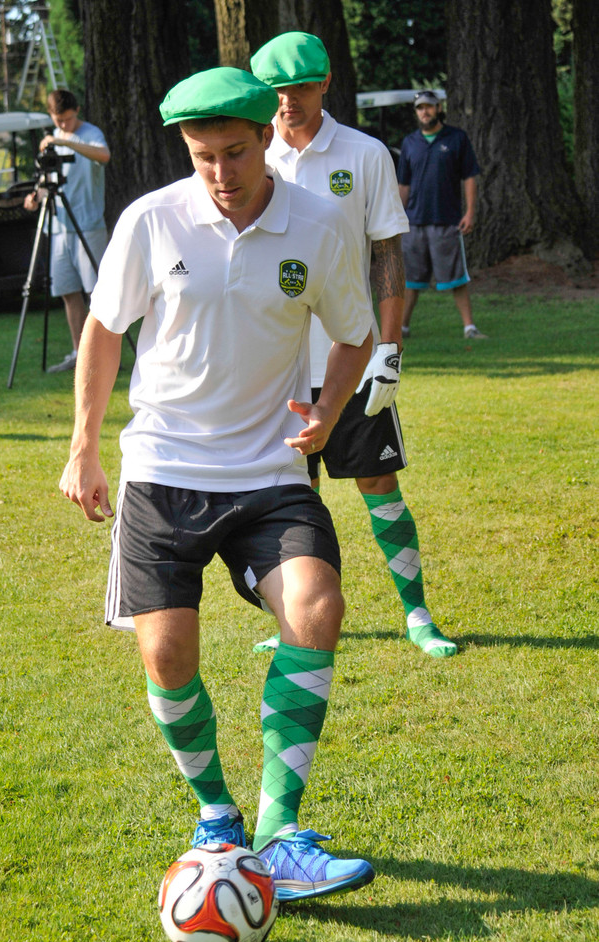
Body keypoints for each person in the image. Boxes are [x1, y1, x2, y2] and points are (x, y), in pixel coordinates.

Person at [58, 66, 386, 902]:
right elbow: (103, 330)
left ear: (264, 141)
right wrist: (83, 448)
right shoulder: (151, 219)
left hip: (269, 472)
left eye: (236, 153)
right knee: (166, 656)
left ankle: (278, 834)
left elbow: (354, 332)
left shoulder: (316, 224)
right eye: (203, 156)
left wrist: (326, 411)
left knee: (316, 608)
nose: (221, 174)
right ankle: (217, 818)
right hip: (162, 473)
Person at [250, 32, 457, 658]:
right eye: (275, 91)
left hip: (353, 356)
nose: (287, 101)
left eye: (299, 87)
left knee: (379, 488)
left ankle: (417, 614)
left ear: (325, 83)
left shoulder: (365, 154)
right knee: (290, 500)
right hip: (277, 369)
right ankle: (291, 616)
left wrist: (389, 352)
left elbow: (386, 255)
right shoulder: (249, 157)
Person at [25, 89, 110, 373]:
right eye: (58, 120)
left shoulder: (89, 133)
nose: (63, 125)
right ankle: (79, 353)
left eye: (68, 119)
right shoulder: (54, 137)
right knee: (67, 291)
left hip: (88, 225)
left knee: (97, 294)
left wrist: (67, 142)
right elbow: (48, 178)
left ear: (77, 111)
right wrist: (36, 195)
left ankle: (103, 356)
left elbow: (104, 156)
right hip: (58, 225)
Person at [397, 89, 486, 340]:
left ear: (438, 108)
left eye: (429, 106)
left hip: (447, 221)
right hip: (413, 223)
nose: (424, 112)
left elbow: (469, 176)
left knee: (456, 278)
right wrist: (396, 217)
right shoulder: (410, 142)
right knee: (411, 281)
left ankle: (469, 328)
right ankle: (401, 330)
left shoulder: (457, 138)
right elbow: (403, 184)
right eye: (420, 108)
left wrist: (470, 212)